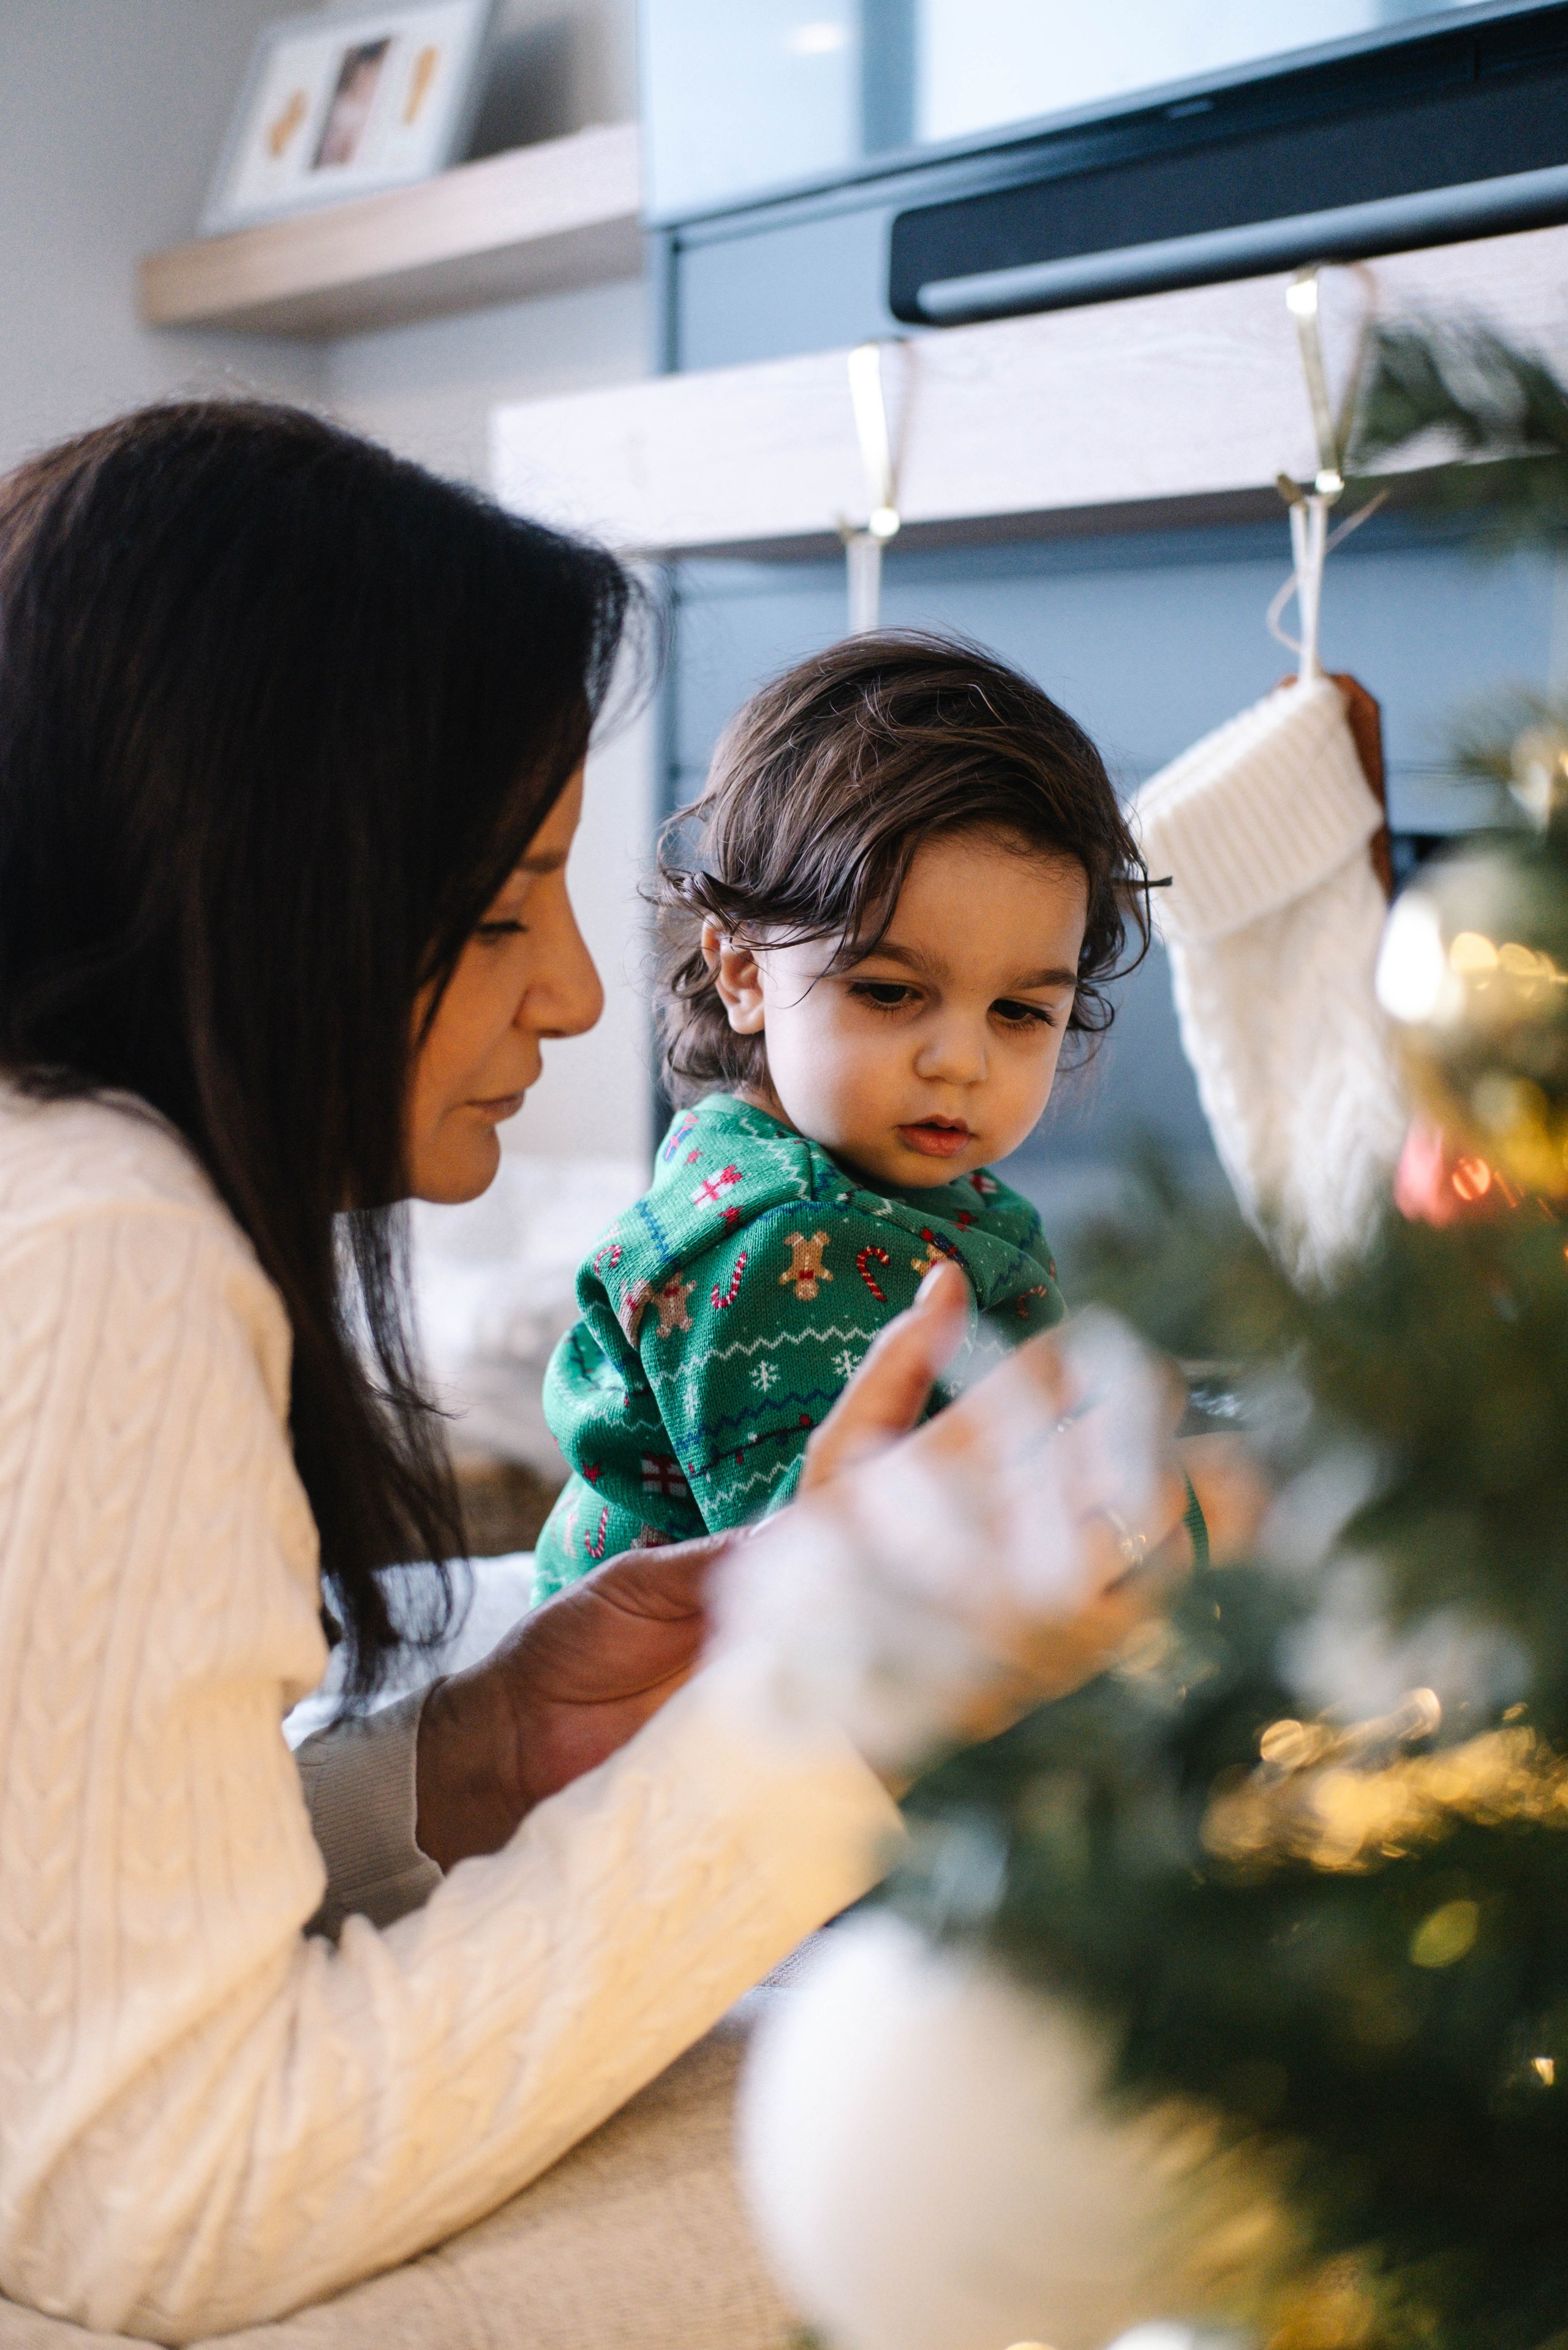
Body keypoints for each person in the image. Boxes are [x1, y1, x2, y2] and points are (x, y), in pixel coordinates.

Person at [0, 401, 1191, 2343]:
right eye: (496, 907)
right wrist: (839, 1700)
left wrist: (468, 1761)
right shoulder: (104, 1251)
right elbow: (153, 2196)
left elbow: (58, 1910)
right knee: (1079, 2128)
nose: (569, 991)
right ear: (252, 895)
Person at [533, 635, 1186, 1595]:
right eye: (888, 991)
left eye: (1019, 1012)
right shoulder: (780, 1243)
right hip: (701, 1723)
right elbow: (835, 1615)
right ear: (744, 973)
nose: (959, 1061)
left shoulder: (878, 1186)